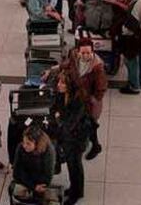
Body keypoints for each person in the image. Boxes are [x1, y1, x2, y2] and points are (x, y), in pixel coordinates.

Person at [50, 40, 107, 161]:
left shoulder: (98, 67)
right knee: (80, 122)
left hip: (90, 103)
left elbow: (101, 89)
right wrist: (54, 69)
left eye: (88, 53)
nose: (86, 55)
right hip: (77, 97)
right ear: (78, 51)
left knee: (89, 124)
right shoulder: (74, 56)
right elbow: (68, 64)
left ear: (93, 51)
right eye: (83, 52)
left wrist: (91, 99)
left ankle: (95, 146)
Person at [49, 73, 91, 205]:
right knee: (71, 165)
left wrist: (58, 117)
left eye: (62, 83)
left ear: (69, 86)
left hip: (76, 139)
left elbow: (71, 122)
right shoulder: (61, 95)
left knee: (75, 166)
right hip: (66, 137)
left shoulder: (78, 100)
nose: (58, 85)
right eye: (59, 82)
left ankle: (77, 192)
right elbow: (53, 109)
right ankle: (74, 188)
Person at [11, 125, 56, 203]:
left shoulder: (48, 151)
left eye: (28, 143)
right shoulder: (21, 147)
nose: (24, 146)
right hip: (26, 181)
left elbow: (47, 177)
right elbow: (16, 172)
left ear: (37, 144)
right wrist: (33, 186)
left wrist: (34, 187)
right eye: (24, 142)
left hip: (38, 182)